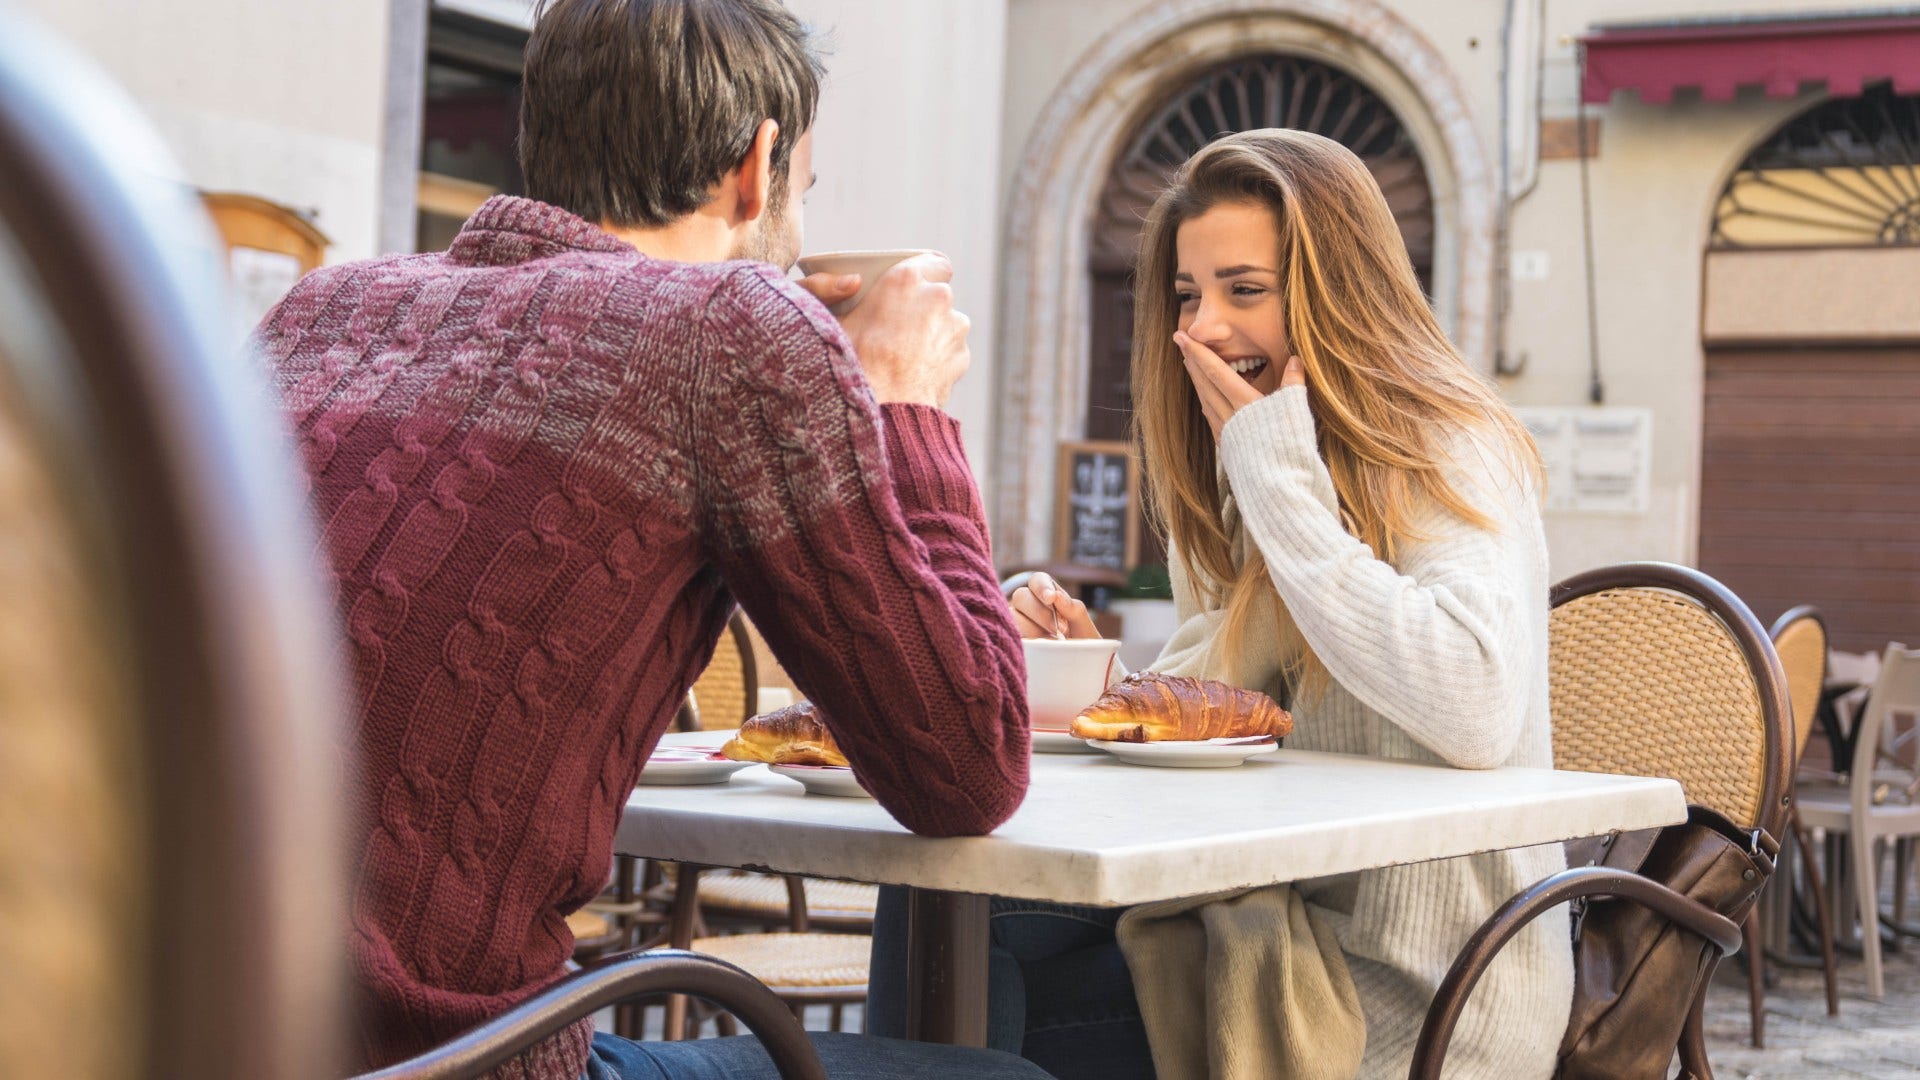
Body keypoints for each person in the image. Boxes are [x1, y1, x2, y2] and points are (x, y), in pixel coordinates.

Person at [254, 1, 1052, 1077]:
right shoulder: (733, 331)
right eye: (804, 193)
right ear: (757, 166)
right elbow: (967, 766)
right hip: (449, 1060)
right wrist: (903, 410)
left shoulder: (321, 309)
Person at [988, 128, 1573, 1079]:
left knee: (987, 1010)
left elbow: (1474, 705)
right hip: (1267, 918)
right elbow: (1246, 700)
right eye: (1188, 295)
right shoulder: (1254, 459)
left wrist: (1281, 485)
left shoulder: (1448, 443)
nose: (1204, 327)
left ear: (1337, 292)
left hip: (1423, 988)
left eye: (1244, 290)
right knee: (964, 904)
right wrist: (1107, 678)